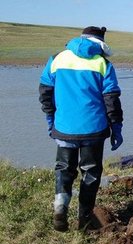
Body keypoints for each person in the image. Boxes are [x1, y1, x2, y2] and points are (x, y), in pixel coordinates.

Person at [39, 26, 124, 232]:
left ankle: (60, 206)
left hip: (64, 128)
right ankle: (84, 218)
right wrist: (117, 128)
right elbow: (111, 99)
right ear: (100, 43)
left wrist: (51, 120)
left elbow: (45, 94)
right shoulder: (103, 64)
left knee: (64, 169)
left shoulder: (56, 59)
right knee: (91, 172)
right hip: (94, 129)